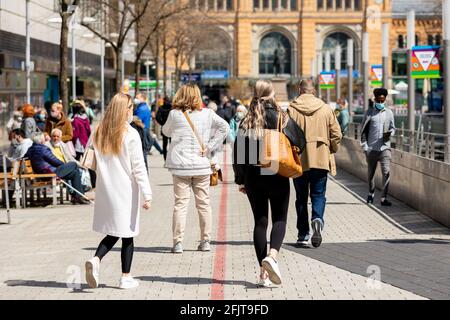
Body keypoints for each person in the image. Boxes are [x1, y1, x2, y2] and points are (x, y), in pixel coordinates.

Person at [233, 80, 305, 288]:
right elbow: (300, 141)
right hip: (276, 171)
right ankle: (272, 256)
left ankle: (263, 274)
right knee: (280, 219)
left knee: (260, 222)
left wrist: (241, 179)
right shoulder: (282, 117)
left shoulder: (246, 119)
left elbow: (239, 154)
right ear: (272, 94)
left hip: (254, 177)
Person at [84, 93, 152, 290]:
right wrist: (147, 194)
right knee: (128, 234)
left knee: (115, 231)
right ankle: (125, 277)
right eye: (130, 107)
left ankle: (96, 259)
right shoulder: (130, 134)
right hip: (126, 189)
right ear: (123, 109)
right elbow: (138, 167)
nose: (132, 110)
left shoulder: (99, 131)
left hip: (106, 190)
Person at [162, 84, 229, 254]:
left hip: (180, 166)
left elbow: (166, 132)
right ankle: (205, 240)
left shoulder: (174, 114)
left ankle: (178, 243)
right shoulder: (208, 114)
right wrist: (210, 146)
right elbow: (225, 127)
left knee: (180, 205)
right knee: (204, 204)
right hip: (201, 165)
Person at [288, 79, 342, 248]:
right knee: (318, 194)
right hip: (320, 158)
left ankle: (303, 234)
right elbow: (337, 134)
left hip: (299, 159)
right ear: (314, 91)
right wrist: (330, 148)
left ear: (299, 90)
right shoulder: (326, 109)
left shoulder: (291, 109)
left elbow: (285, 134)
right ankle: (317, 219)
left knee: (301, 198)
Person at [24, 132, 89, 205]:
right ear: (41, 140)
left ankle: (78, 197)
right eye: (44, 139)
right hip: (49, 174)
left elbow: (24, 157)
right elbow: (55, 161)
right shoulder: (43, 149)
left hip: (42, 174)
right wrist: (65, 166)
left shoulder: (30, 149)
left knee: (75, 173)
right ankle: (79, 195)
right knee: (73, 164)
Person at [361, 88, 396, 206]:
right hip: (371, 149)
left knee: (386, 172)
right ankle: (371, 194)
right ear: (375, 99)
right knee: (371, 174)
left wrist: (391, 133)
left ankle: (383, 198)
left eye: (383, 100)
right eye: (379, 100)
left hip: (385, 148)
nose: (381, 102)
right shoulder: (369, 112)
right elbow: (363, 130)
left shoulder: (389, 113)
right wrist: (365, 146)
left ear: (385, 99)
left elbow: (393, 127)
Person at [133, 92, 152, 169]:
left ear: (143, 99)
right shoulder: (144, 107)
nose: (136, 99)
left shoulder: (141, 109)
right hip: (145, 130)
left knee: (142, 153)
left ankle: (144, 170)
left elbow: (137, 120)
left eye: (138, 98)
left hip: (141, 131)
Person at [155, 96, 173, 161]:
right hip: (172, 128)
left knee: (164, 145)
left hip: (164, 128)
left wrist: (162, 123)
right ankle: (171, 159)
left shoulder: (161, 108)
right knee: (172, 144)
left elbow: (157, 117)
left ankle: (165, 160)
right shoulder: (172, 108)